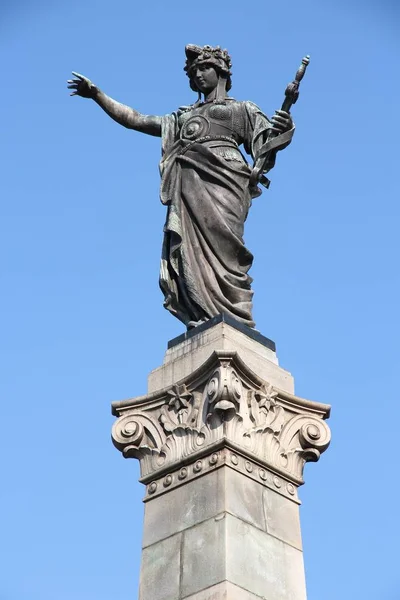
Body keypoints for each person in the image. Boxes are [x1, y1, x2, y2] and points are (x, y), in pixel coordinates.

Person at [68, 44, 294, 329]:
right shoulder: (182, 118)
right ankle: (202, 311)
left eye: (204, 68)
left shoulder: (241, 109)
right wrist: (97, 95)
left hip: (226, 183)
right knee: (190, 250)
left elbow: (264, 150)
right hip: (188, 187)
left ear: (221, 71)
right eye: (194, 71)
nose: (198, 75)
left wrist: (283, 128)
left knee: (226, 249)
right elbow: (136, 120)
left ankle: (235, 311)